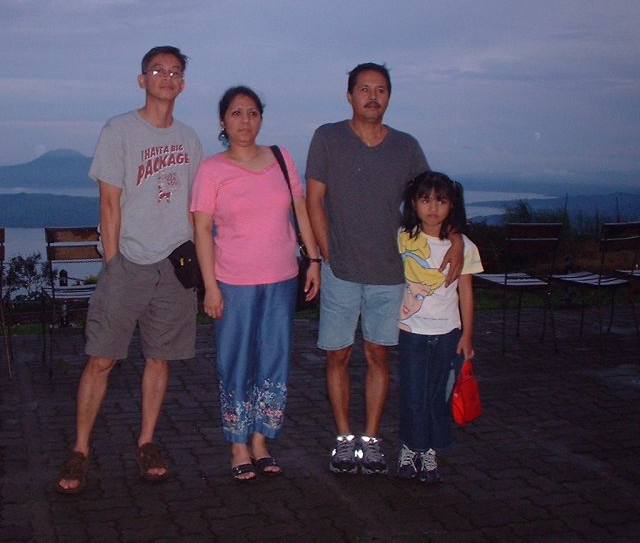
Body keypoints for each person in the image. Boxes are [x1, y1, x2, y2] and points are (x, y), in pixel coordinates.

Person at [56, 45, 202, 493]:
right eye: (158, 70)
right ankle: (80, 449)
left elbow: (198, 206)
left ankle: (146, 441)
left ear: (182, 84)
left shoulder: (190, 139)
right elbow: (109, 201)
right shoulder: (119, 130)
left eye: (174, 72)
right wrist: (113, 262)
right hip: (128, 262)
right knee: (101, 358)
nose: (166, 77)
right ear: (142, 80)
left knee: (159, 358)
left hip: (175, 263)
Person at [305, 62, 462, 476]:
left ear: (389, 96)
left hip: (391, 272)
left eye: (380, 90)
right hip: (341, 268)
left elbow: (434, 198)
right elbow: (314, 199)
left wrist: (458, 237)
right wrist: (326, 252)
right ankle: (343, 438)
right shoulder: (328, 137)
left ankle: (371, 440)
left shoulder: (406, 147)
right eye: (364, 89)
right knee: (337, 356)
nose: (372, 97)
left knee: (378, 355)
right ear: (350, 95)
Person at [191, 86, 320, 481]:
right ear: (222, 121)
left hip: (282, 279)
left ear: (261, 117)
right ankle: (237, 444)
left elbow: (300, 210)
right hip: (233, 282)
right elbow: (201, 230)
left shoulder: (281, 159)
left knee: (274, 361)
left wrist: (314, 260)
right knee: (235, 362)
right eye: (236, 113)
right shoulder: (211, 169)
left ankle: (262, 441)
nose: (245, 121)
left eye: (252, 113)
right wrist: (211, 286)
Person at [396, 171, 482, 483]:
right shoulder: (404, 237)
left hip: (448, 334)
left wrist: (467, 336)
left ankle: (430, 451)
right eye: (425, 200)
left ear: (452, 205)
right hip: (411, 332)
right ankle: (410, 447)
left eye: (441, 201)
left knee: (438, 396)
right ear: (414, 203)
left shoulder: (464, 246)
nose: (433, 207)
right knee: (412, 393)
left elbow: (466, 292)